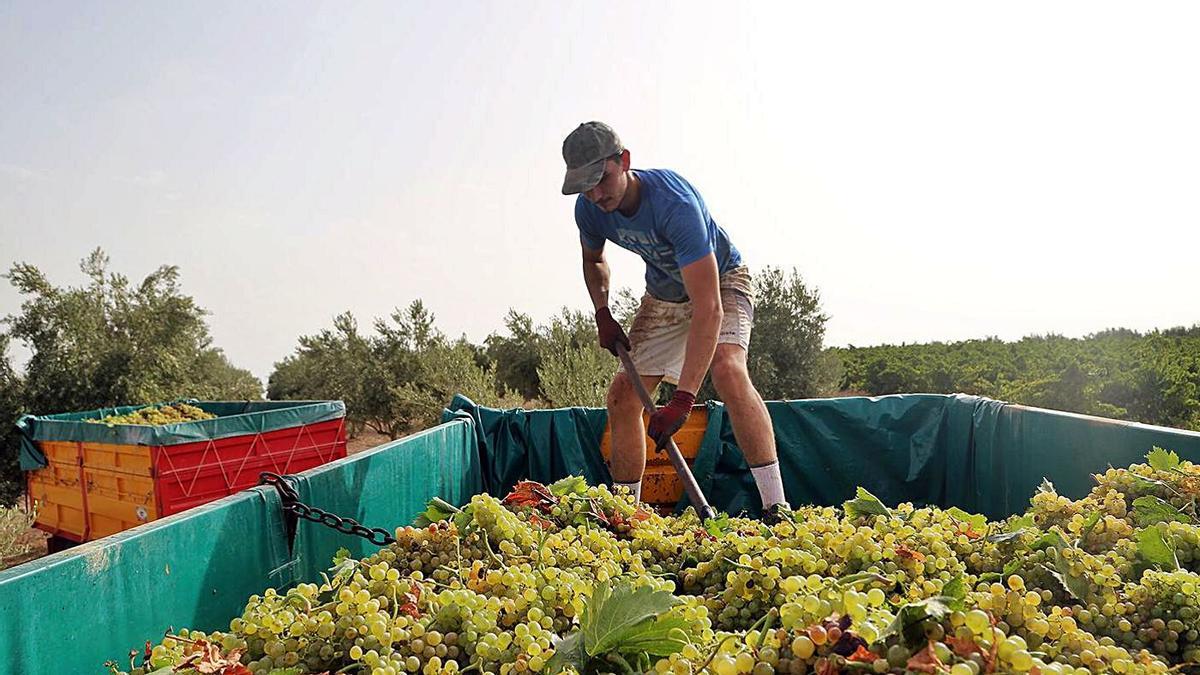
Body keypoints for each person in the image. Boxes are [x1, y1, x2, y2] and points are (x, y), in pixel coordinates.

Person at [560, 121, 790, 521]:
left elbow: (709, 309)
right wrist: (602, 313)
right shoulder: (590, 210)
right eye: (585, 186)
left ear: (625, 161)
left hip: (720, 282)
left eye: (602, 179)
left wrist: (683, 399)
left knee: (728, 371)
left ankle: (777, 507)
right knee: (621, 398)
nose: (596, 194)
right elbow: (593, 260)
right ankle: (624, 517)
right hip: (664, 294)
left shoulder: (674, 203)